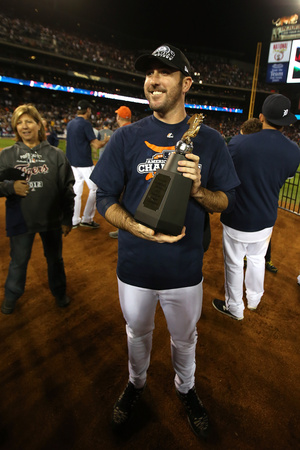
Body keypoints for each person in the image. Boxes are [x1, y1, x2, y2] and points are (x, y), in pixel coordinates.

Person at [90, 43, 240, 438]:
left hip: (184, 266)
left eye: (164, 73)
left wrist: (199, 192)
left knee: (184, 338)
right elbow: (103, 197)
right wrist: (133, 226)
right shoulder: (126, 138)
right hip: (135, 265)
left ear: (185, 83)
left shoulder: (209, 140)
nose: (152, 80)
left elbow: (226, 200)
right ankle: (136, 384)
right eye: (149, 73)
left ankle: (185, 389)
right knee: (136, 333)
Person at [213, 94, 300, 320]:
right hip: (266, 218)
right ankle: (254, 300)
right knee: (257, 259)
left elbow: (225, 174)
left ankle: (235, 308)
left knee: (233, 264)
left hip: (236, 217)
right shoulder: (294, 150)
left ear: (261, 117)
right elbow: (287, 173)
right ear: (286, 122)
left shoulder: (240, 142)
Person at [0, 104, 75, 315]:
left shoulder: (56, 155)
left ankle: (59, 292)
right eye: (20, 122)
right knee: (19, 261)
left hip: (51, 219)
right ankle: (11, 296)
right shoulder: (7, 155)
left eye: (29, 121)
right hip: (21, 219)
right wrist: (9, 187)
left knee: (55, 260)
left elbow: (67, 190)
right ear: (15, 127)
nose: (24, 126)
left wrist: (67, 218)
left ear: (39, 125)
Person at [237, 118, 279, 273]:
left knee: (260, 234)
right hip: (253, 203)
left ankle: (265, 259)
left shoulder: (265, 153)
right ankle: (255, 259)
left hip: (260, 203)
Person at [66, 99, 109, 229]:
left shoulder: (70, 123)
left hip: (72, 163)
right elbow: (96, 145)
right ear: (88, 110)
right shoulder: (85, 124)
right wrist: (106, 140)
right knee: (96, 188)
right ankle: (87, 219)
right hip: (84, 163)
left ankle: (74, 220)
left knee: (77, 191)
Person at [108, 106, 132, 239]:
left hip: (122, 173)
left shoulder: (120, 132)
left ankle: (123, 229)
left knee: (121, 202)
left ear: (119, 117)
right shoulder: (135, 130)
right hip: (135, 173)